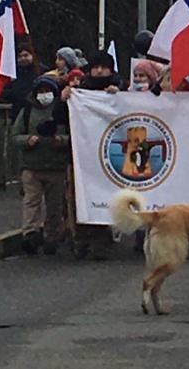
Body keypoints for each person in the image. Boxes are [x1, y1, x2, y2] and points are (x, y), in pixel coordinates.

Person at [61, 50, 121, 260]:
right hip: (81, 156)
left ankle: (101, 241)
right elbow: (61, 119)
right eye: (95, 67)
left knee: (104, 197)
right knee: (79, 198)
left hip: (108, 156)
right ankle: (81, 238)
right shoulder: (80, 91)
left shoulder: (119, 88)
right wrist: (65, 98)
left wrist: (119, 95)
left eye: (103, 67)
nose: (99, 71)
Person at [12, 75, 70, 255]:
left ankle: (52, 237)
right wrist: (27, 139)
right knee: (31, 201)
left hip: (55, 167)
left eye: (47, 91)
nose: (44, 95)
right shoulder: (27, 112)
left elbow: (75, 135)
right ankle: (30, 234)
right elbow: (15, 135)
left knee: (55, 206)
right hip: (32, 166)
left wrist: (61, 140)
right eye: (41, 91)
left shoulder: (62, 111)